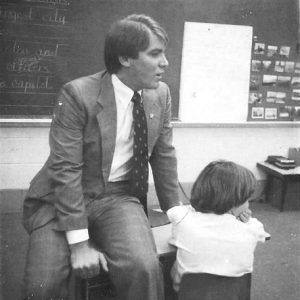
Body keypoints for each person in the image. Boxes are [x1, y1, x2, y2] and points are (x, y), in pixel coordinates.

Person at [22, 14, 180, 300]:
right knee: (42, 285)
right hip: (61, 198)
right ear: (125, 58)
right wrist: (79, 244)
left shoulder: (161, 94)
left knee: (143, 268)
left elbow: (164, 156)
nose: (165, 63)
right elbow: (66, 170)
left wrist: (179, 215)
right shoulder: (77, 94)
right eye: (156, 54)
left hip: (119, 198)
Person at [167, 160, 269, 292]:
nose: (248, 204)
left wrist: (196, 208)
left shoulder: (184, 220)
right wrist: (245, 221)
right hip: (232, 295)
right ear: (235, 203)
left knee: (171, 263)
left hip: (188, 294)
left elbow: (173, 211)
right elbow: (261, 233)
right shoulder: (251, 228)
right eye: (247, 200)